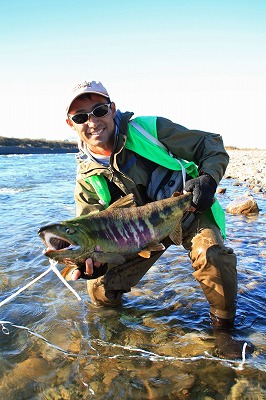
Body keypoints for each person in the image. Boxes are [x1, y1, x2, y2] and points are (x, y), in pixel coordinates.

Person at [65, 80, 237, 331]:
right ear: (71, 124)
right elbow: (90, 235)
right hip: (138, 236)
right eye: (81, 117)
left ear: (112, 109)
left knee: (212, 256)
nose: (92, 122)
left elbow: (210, 146)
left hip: (187, 212)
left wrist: (209, 178)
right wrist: (92, 264)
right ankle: (118, 336)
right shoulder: (86, 180)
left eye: (99, 111)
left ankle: (225, 331)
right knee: (100, 288)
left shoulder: (150, 130)